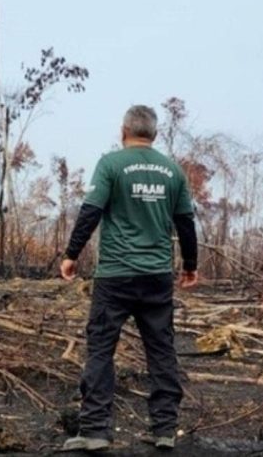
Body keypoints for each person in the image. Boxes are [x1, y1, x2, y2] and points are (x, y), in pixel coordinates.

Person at [60, 105, 199, 452]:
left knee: (101, 350)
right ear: (154, 134)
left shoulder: (111, 164)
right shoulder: (173, 171)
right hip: (156, 276)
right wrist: (190, 264)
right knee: (161, 349)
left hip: (116, 276)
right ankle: (165, 429)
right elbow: (185, 222)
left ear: (123, 131)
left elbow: (90, 211)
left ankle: (94, 431)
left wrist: (71, 255)